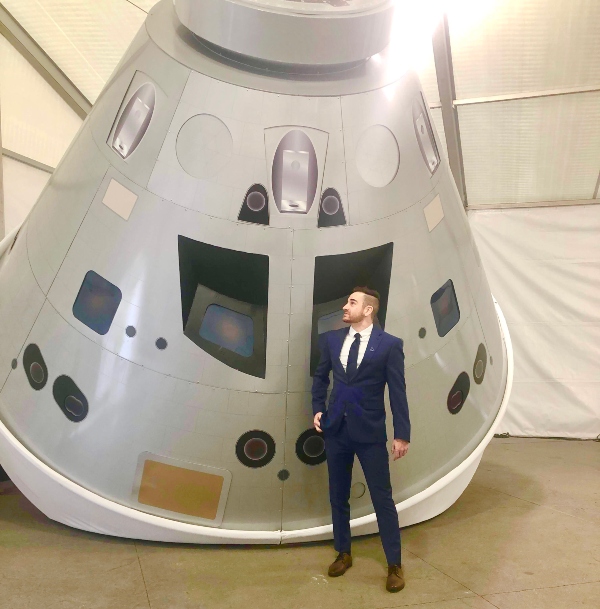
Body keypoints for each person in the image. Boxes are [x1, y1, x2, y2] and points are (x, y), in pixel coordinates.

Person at [311, 287, 410, 593]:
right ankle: (343, 552)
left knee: (382, 498)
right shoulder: (331, 340)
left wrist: (402, 434)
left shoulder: (389, 345)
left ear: (368, 310)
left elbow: (398, 391)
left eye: (352, 302)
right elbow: (320, 377)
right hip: (336, 430)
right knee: (338, 495)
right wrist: (318, 409)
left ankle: (394, 564)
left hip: (369, 433)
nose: (345, 306)